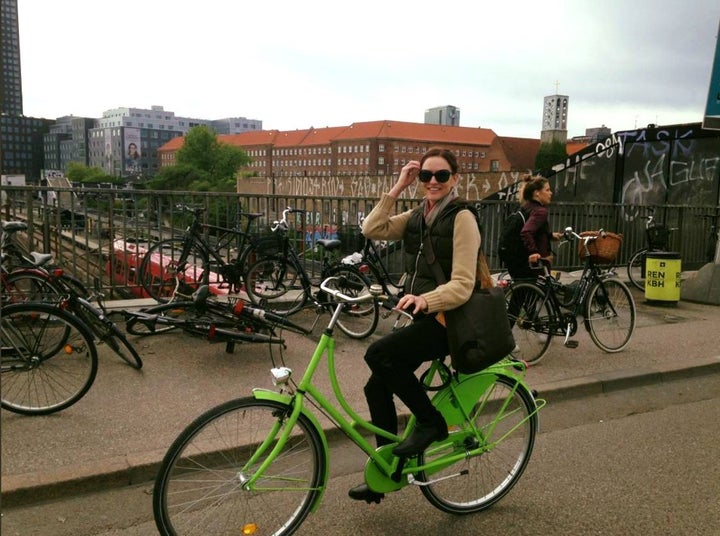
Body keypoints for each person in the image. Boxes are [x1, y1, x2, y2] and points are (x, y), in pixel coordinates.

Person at [349, 147, 481, 503]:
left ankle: (431, 422)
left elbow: (464, 284)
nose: (433, 182)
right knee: (376, 388)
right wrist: (397, 187)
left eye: (441, 175)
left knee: (379, 354)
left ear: (455, 178)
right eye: (425, 176)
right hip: (423, 317)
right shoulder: (418, 215)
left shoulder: (462, 217)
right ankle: (388, 470)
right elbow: (371, 228)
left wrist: (426, 299)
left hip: (449, 320)